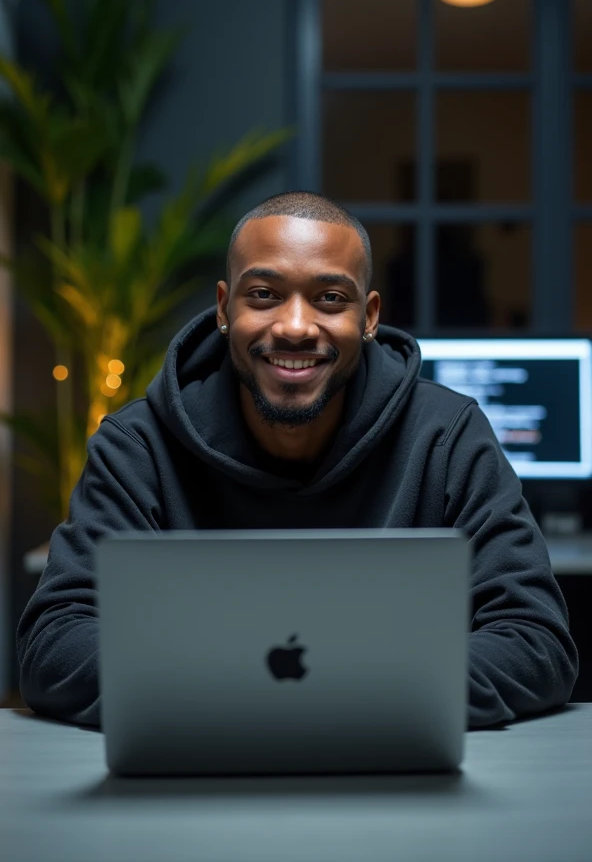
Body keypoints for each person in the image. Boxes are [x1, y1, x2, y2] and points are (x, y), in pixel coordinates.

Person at [16, 191, 578, 730]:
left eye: (330, 298)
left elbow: (535, 641)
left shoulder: (448, 438)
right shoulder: (137, 446)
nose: (294, 326)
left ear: (370, 316)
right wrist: (266, 700)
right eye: (263, 294)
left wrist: (329, 702)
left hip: (391, 776)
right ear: (222, 307)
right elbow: (55, 642)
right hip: (192, 783)